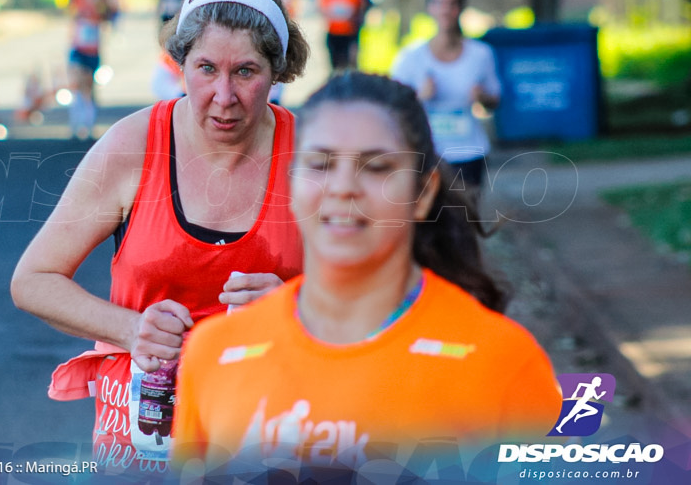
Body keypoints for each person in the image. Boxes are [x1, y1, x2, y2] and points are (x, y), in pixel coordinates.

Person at [172, 72, 562, 476]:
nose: (343, 188)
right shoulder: (214, 353)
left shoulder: (501, 362)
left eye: (376, 167)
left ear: (422, 194)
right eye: (320, 164)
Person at [11, 0, 311, 474]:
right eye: (206, 69)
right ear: (180, 64)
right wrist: (132, 329)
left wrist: (299, 311)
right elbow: (33, 281)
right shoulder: (132, 148)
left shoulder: (314, 157)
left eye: (246, 71)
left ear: (276, 71)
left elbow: (389, 296)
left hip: (273, 424)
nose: (224, 95)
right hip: (144, 428)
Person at [391, 0, 501, 196]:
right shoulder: (411, 57)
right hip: (428, 153)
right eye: (439, 2)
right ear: (429, 8)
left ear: (460, 8)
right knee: (430, 222)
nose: (446, 9)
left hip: (469, 152)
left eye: (452, 3)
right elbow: (392, 108)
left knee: (467, 220)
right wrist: (419, 97)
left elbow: (495, 100)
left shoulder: (480, 54)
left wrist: (482, 96)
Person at [65, 0, 111, 139]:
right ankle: (76, 125)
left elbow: (106, 17)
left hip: (93, 48)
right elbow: (70, 14)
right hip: (77, 46)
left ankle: (89, 125)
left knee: (89, 88)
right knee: (76, 82)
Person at [317, 0, 368, 71]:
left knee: (347, 64)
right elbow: (323, 9)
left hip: (349, 34)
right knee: (335, 65)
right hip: (333, 32)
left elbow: (360, 11)